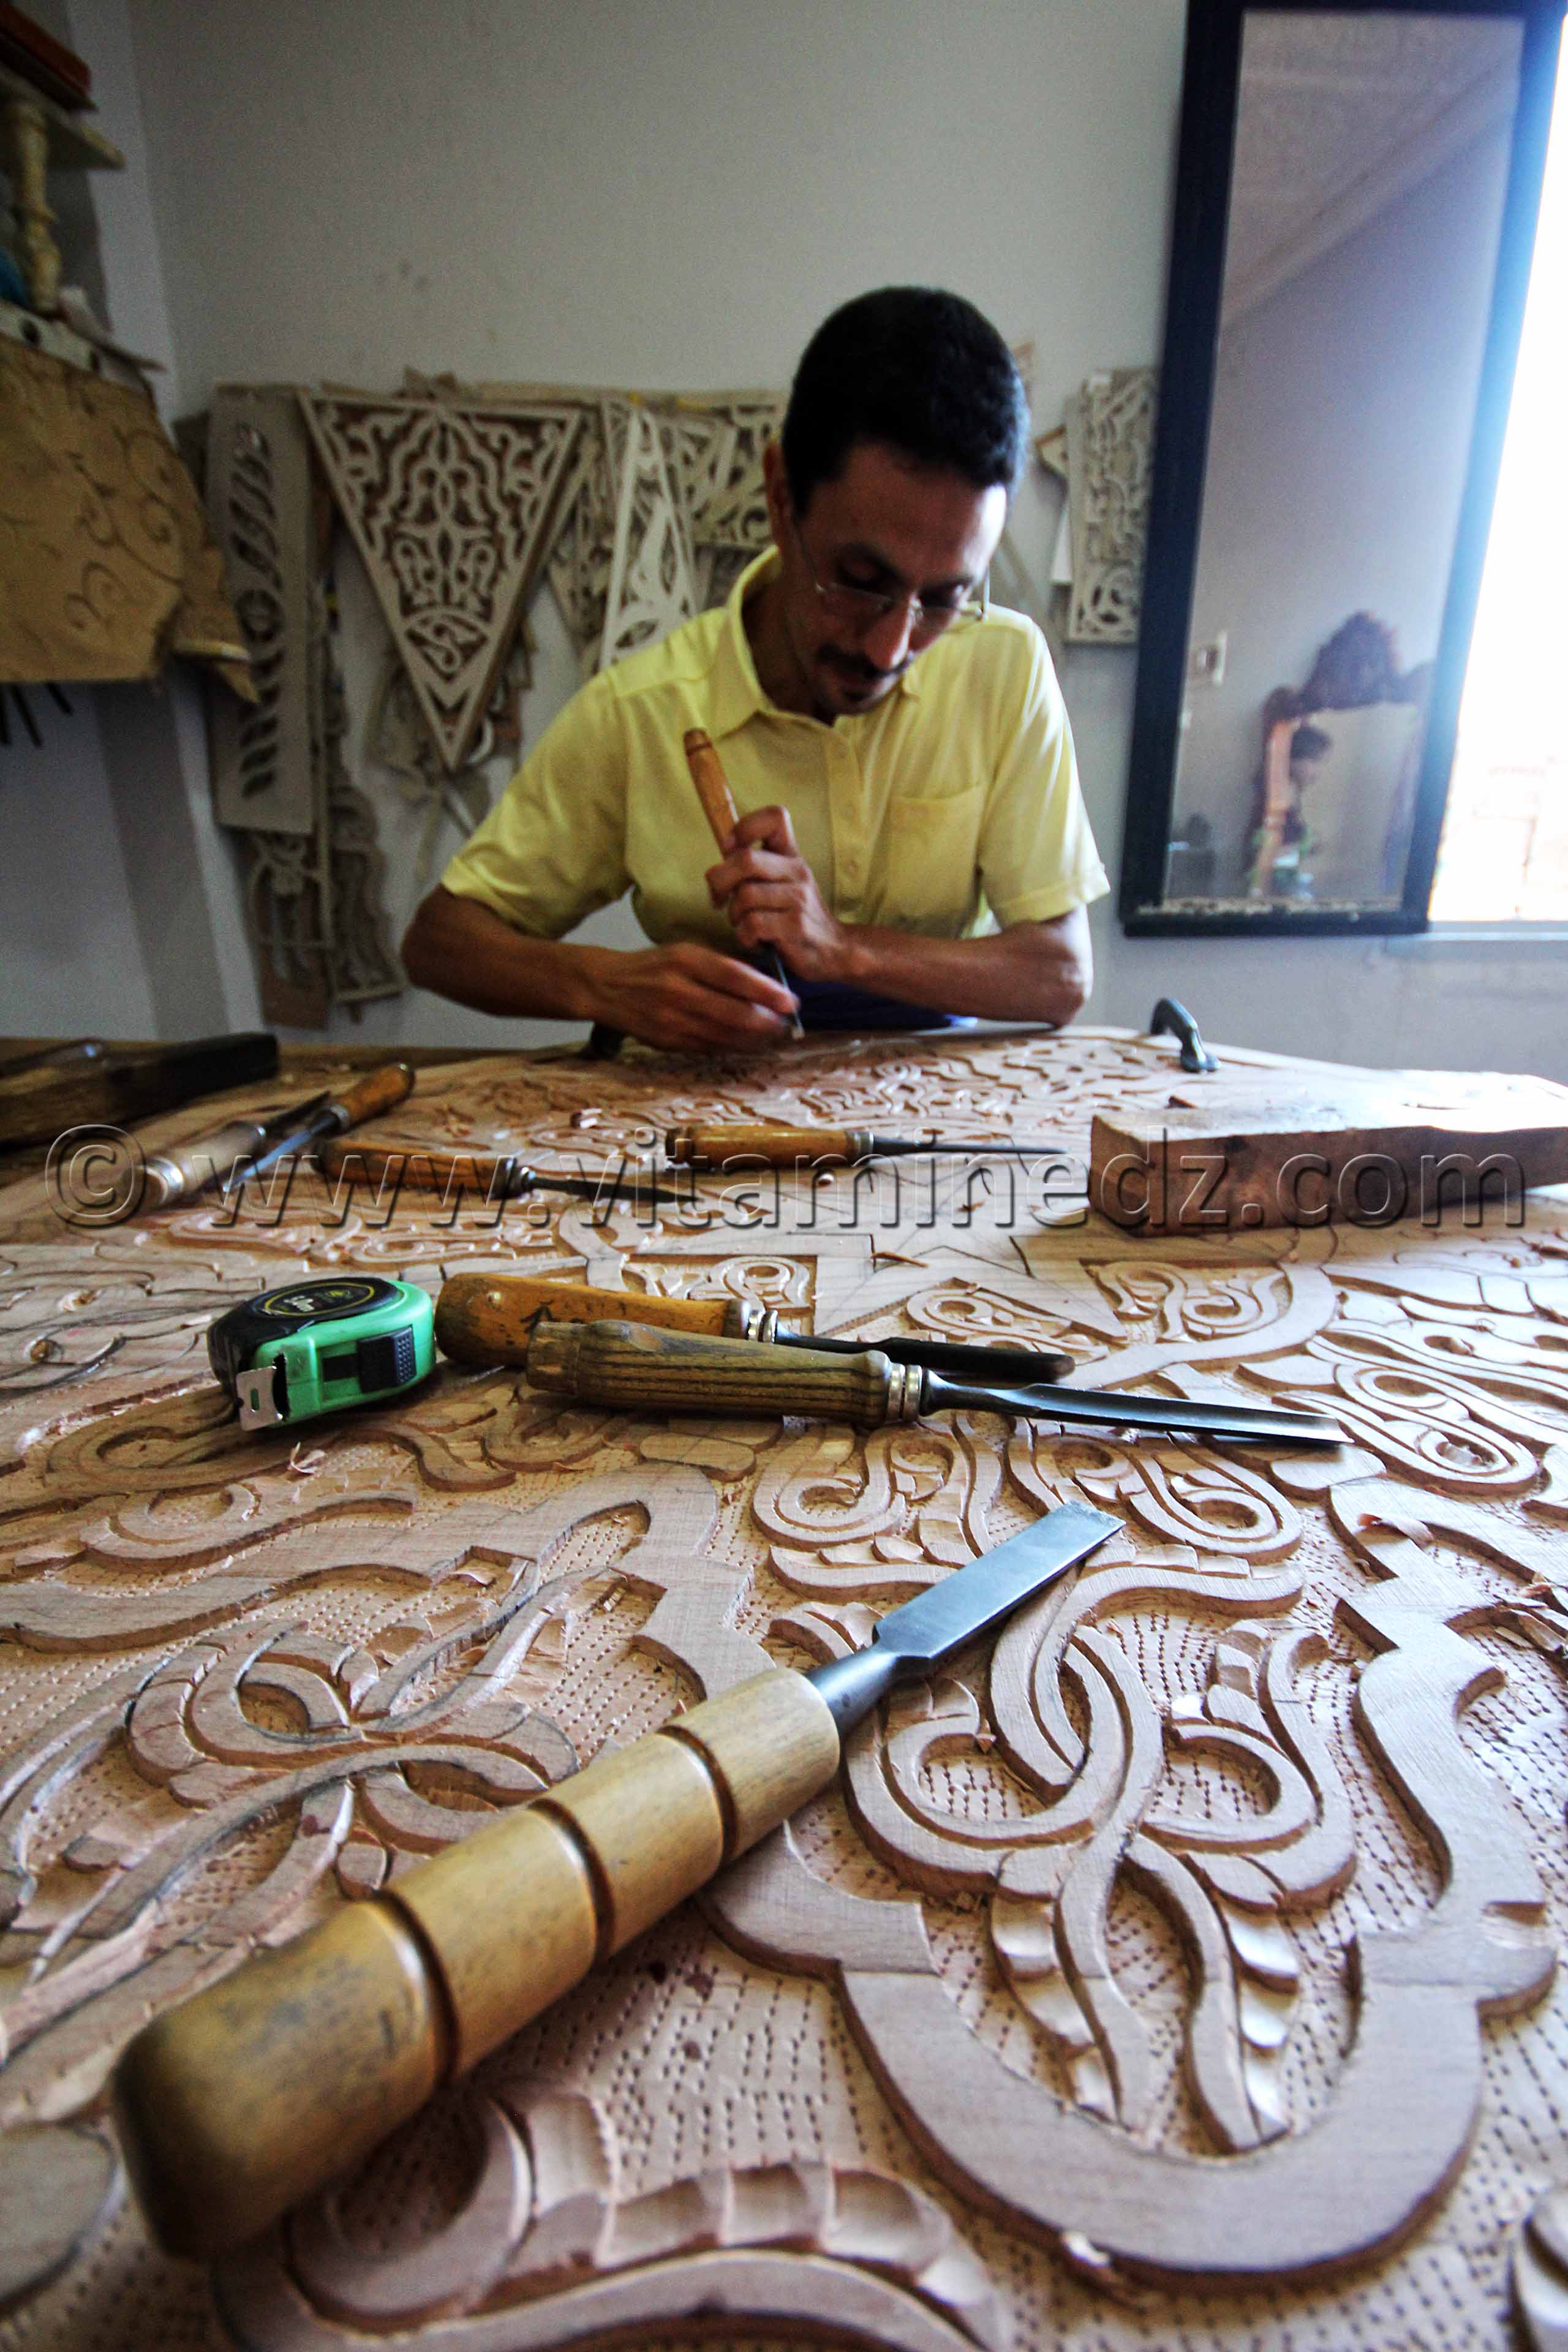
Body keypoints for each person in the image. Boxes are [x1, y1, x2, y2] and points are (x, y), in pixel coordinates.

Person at [402, 287, 1109, 1052]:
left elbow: (1058, 974)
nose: (890, 648)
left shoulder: (1001, 666)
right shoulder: (645, 710)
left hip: (933, 1133)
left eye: (943, 597)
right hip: (697, 1135)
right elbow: (440, 942)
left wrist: (840, 948)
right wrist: (606, 984)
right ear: (780, 499)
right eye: (860, 580)